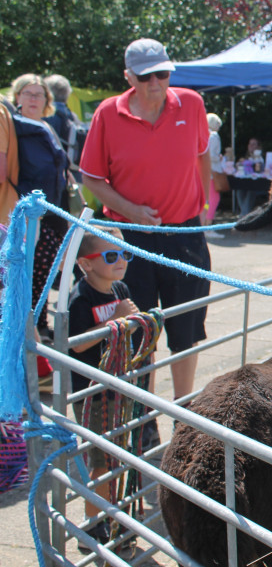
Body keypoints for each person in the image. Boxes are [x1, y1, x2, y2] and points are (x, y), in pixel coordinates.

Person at [79, 37, 212, 401]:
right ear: (128, 77)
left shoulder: (192, 103)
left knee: (186, 329)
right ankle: (143, 420)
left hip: (185, 234)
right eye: (145, 76)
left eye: (162, 74)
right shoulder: (108, 113)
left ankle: (184, 416)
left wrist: (204, 203)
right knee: (138, 328)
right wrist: (131, 209)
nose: (155, 83)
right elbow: (90, 176)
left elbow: (202, 156)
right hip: (130, 237)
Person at [68, 228, 139, 551]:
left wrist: (135, 322)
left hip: (119, 388)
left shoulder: (119, 289)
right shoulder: (81, 298)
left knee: (120, 455)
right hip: (93, 396)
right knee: (100, 460)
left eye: (124, 253)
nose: (120, 261)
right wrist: (116, 320)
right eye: (111, 256)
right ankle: (93, 523)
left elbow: (127, 333)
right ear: (86, 263)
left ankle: (114, 517)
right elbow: (78, 347)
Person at [10, 74, 69, 342]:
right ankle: (30, 330)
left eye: (39, 94)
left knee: (45, 271)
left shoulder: (46, 126)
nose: (34, 99)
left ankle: (39, 326)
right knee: (31, 272)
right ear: (18, 97)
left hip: (53, 210)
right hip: (28, 212)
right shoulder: (15, 127)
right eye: (28, 93)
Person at [232, 137, 270, 217]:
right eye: (250, 144)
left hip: (259, 185)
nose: (251, 146)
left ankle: (243, 215)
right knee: (239, 189)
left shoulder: (261, 159)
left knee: (251, 191)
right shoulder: (244, 159)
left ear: (258, 147)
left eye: (254, 144)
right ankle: (244, 215)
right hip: (246, 183)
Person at [204, 113, 224, 239]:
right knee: (214, 200)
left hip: (205, 172)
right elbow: (212, 156)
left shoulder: (205, 134)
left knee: (207, 201)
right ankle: (208, 226)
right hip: (213, 172)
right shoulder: (214, 136)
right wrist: (219, 157)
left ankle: (205, 225)